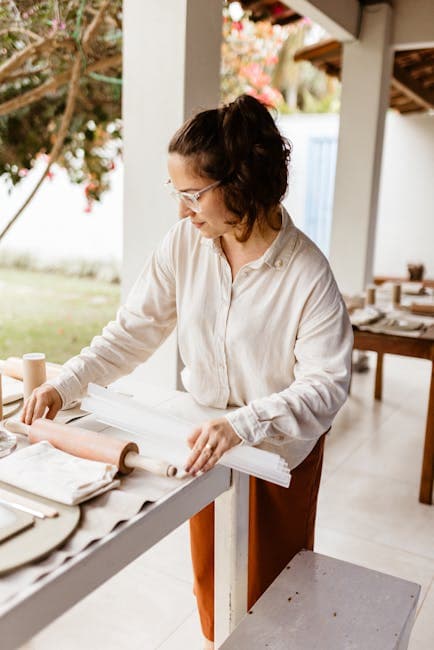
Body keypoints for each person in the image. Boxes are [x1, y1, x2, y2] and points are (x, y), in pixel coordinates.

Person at [22, 94, 353, 649]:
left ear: (242, 183)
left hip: (276, 450)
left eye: (193, 195)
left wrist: (244, 423)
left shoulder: (308, 274)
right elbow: (132, 331)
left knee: (273, 601)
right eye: (177, 195)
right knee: (214, 589)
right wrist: (66, 383)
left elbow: (326, 386)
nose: (182, 211)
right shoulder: (185, 245)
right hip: (206, 444)